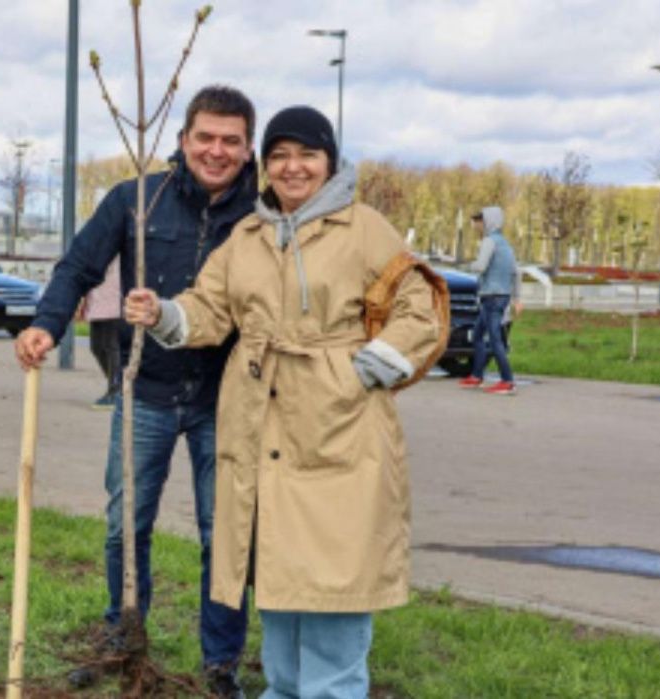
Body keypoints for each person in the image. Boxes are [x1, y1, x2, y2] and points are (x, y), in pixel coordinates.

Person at [125, 105, 445, 699]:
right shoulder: (249, 235)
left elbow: (418, 302)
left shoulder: (364, 227)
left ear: (329, 161)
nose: (292, 167)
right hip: (258, 426)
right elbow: (210, 306)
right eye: (278, 155)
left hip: (339, 427)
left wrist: (367, 369)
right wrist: (165, 314)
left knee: (332, 582)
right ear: (264, 165)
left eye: (307, 155)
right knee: (276, 576)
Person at [13, 85, 258, 696]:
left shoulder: (263, 217)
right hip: (144, 390)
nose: (217, 150)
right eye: (205, 137)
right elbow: (77, 267)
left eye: (231, 140)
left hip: (223, 400)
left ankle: (221, 663)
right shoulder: (135, 200)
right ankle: (124, 641)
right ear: (183, 140)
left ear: (249, 148)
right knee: (127, 524)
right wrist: (46, 324)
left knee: (221, 535)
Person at [458, 206, 522, 395]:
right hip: (500, 297)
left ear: (488, 222)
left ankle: (507, 381)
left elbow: (480, 266)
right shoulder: (505, 244)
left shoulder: (489, 241)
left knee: (495, 340)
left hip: (491, 297)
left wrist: (466, 265)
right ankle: (477, 376)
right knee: (478, 335)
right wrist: (517, 298)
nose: (476, 224)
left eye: (479, 220)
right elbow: (516, 272)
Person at [83, 256, 123, 409]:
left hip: (114, 300)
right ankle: (118, 386)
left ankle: (116, 390)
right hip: (97, 300)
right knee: (96, 347)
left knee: (111, 347)